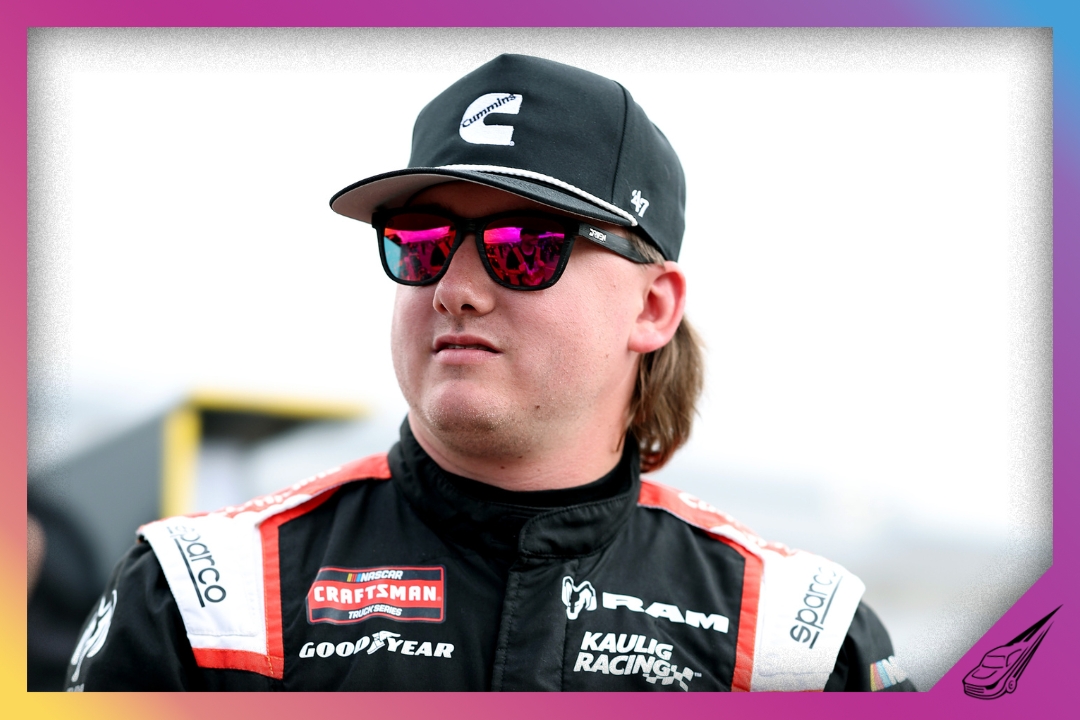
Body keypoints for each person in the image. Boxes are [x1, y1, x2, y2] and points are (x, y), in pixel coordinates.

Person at [65, 54, 914, 692]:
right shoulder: (204, 594)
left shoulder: (800, 641)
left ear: (653, 308)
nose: (455, 289)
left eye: (525, 247)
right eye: (423, 242)